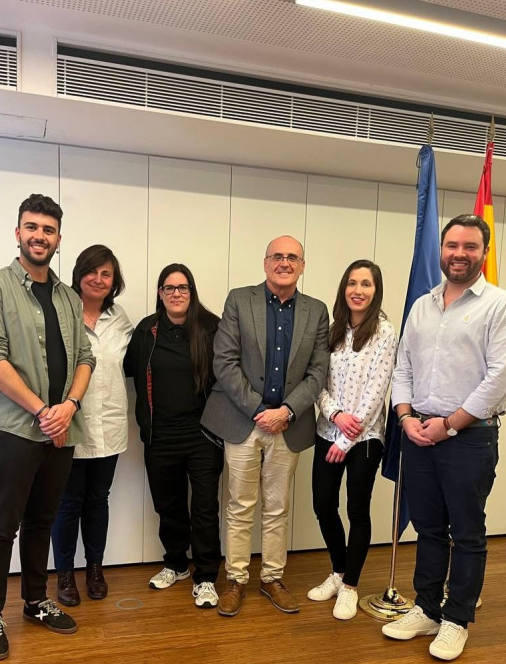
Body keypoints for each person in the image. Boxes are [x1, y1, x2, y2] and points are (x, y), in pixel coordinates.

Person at [383, 214, 506, 661]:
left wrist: (449, 425)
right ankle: (426, 607)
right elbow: (403, 366)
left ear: (484, 252)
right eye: (452, 246)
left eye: (469, 246)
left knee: (466, 533)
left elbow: (499, 379)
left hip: (468, 439)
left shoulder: (503, 306)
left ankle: (456, 619)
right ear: (441, 250)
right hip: (418, 434)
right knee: (428, 528)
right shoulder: (422, 305)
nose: (459, 254)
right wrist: (405, 417)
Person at [0, 193, 95, 661]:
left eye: (49, 229)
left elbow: (85, 357)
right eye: (32, 227)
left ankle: (36, 601)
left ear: (59, 238)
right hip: (14, 428)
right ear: (17, 233)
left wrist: (70, 406)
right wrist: (45, 410)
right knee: (5, 523)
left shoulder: (66, 296)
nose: (40, 236)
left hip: (62, 427)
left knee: (44, 519)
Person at [202, 236, 329, 617]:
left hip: (287, 426)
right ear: (265, 262)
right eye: (278, 256)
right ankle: (236, 580)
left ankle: (272, 577)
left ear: (302, 266)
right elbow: (223, 361)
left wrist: (287, 411)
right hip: (244, 422)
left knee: (278, 508)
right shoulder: (240, 300)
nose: (285, 262)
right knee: (240, 505)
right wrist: (259, 409)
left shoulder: (317, 311)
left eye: (293, 257)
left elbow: (318, 370)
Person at [124, 264, 224, 609]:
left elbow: (228, 377)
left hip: (203, 435)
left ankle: (208, 576)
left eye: (183, 288)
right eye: (169, 288)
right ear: (159, 293)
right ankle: (177, 564)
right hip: (160, 435)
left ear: (192, 292)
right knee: (168, 504)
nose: (176, 294)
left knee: (205, 507)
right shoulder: (147, 331)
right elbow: (124, 369)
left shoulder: (212, 328)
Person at [309, 261, 396, 620]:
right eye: (352, 283)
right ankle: (338, 570)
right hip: (326, 430)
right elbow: (318, 382)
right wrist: (334, 416)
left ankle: (350, 586)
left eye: (366, 284)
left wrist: (347, 438)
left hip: (365, 439)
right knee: (323, 505)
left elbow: (376, 393)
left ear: (376, 291)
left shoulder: (385, 333)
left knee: (357, 510)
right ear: (344, 288)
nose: (358, 290)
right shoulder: (333, 331)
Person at [51, 245, 133, 606]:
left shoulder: (121, 318)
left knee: (99, 500)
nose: (98, 280)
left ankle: (95, 568)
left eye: (106, 274)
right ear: (79, 273)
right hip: (70, 422)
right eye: (92, 272)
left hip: (110, 424)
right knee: (68, 502)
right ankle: (65, 573)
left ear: (114, 281)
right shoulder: (59, 311)